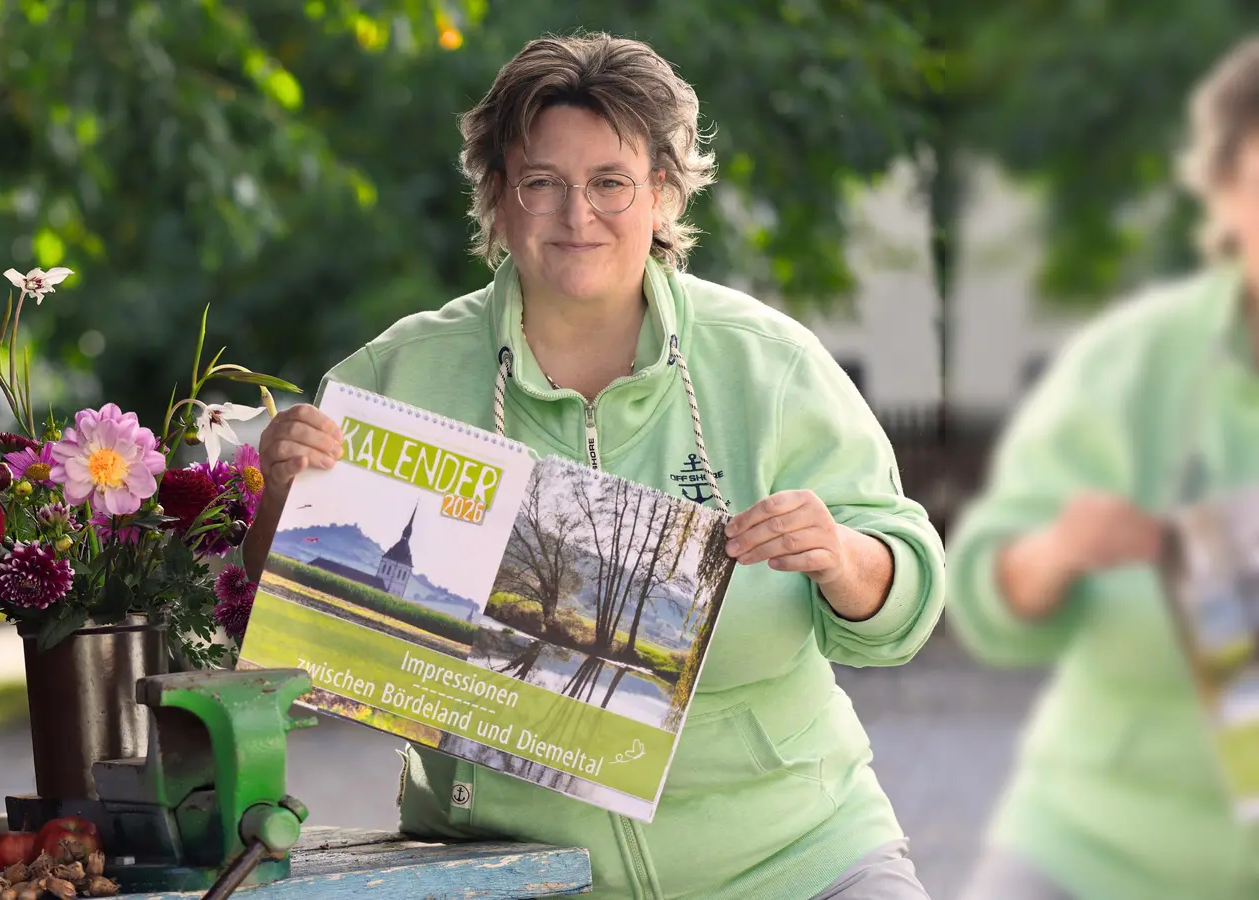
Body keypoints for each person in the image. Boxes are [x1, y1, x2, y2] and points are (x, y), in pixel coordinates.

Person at [244, 33, 945, 900]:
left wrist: (844, 557)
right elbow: (291, 618)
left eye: (611, 182)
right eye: (543, 183)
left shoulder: (770, 366)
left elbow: (904, 604)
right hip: (514, 874)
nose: (579, 216)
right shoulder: (398, 376)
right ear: (498, 198)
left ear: (661, 193)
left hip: (796, 858)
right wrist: (283, 498)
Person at [948, 38, 1259, 900]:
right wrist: (1055, 552)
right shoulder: (1135, 360)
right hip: (1095, 843)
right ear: (1226, 192)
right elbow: (988, 597)